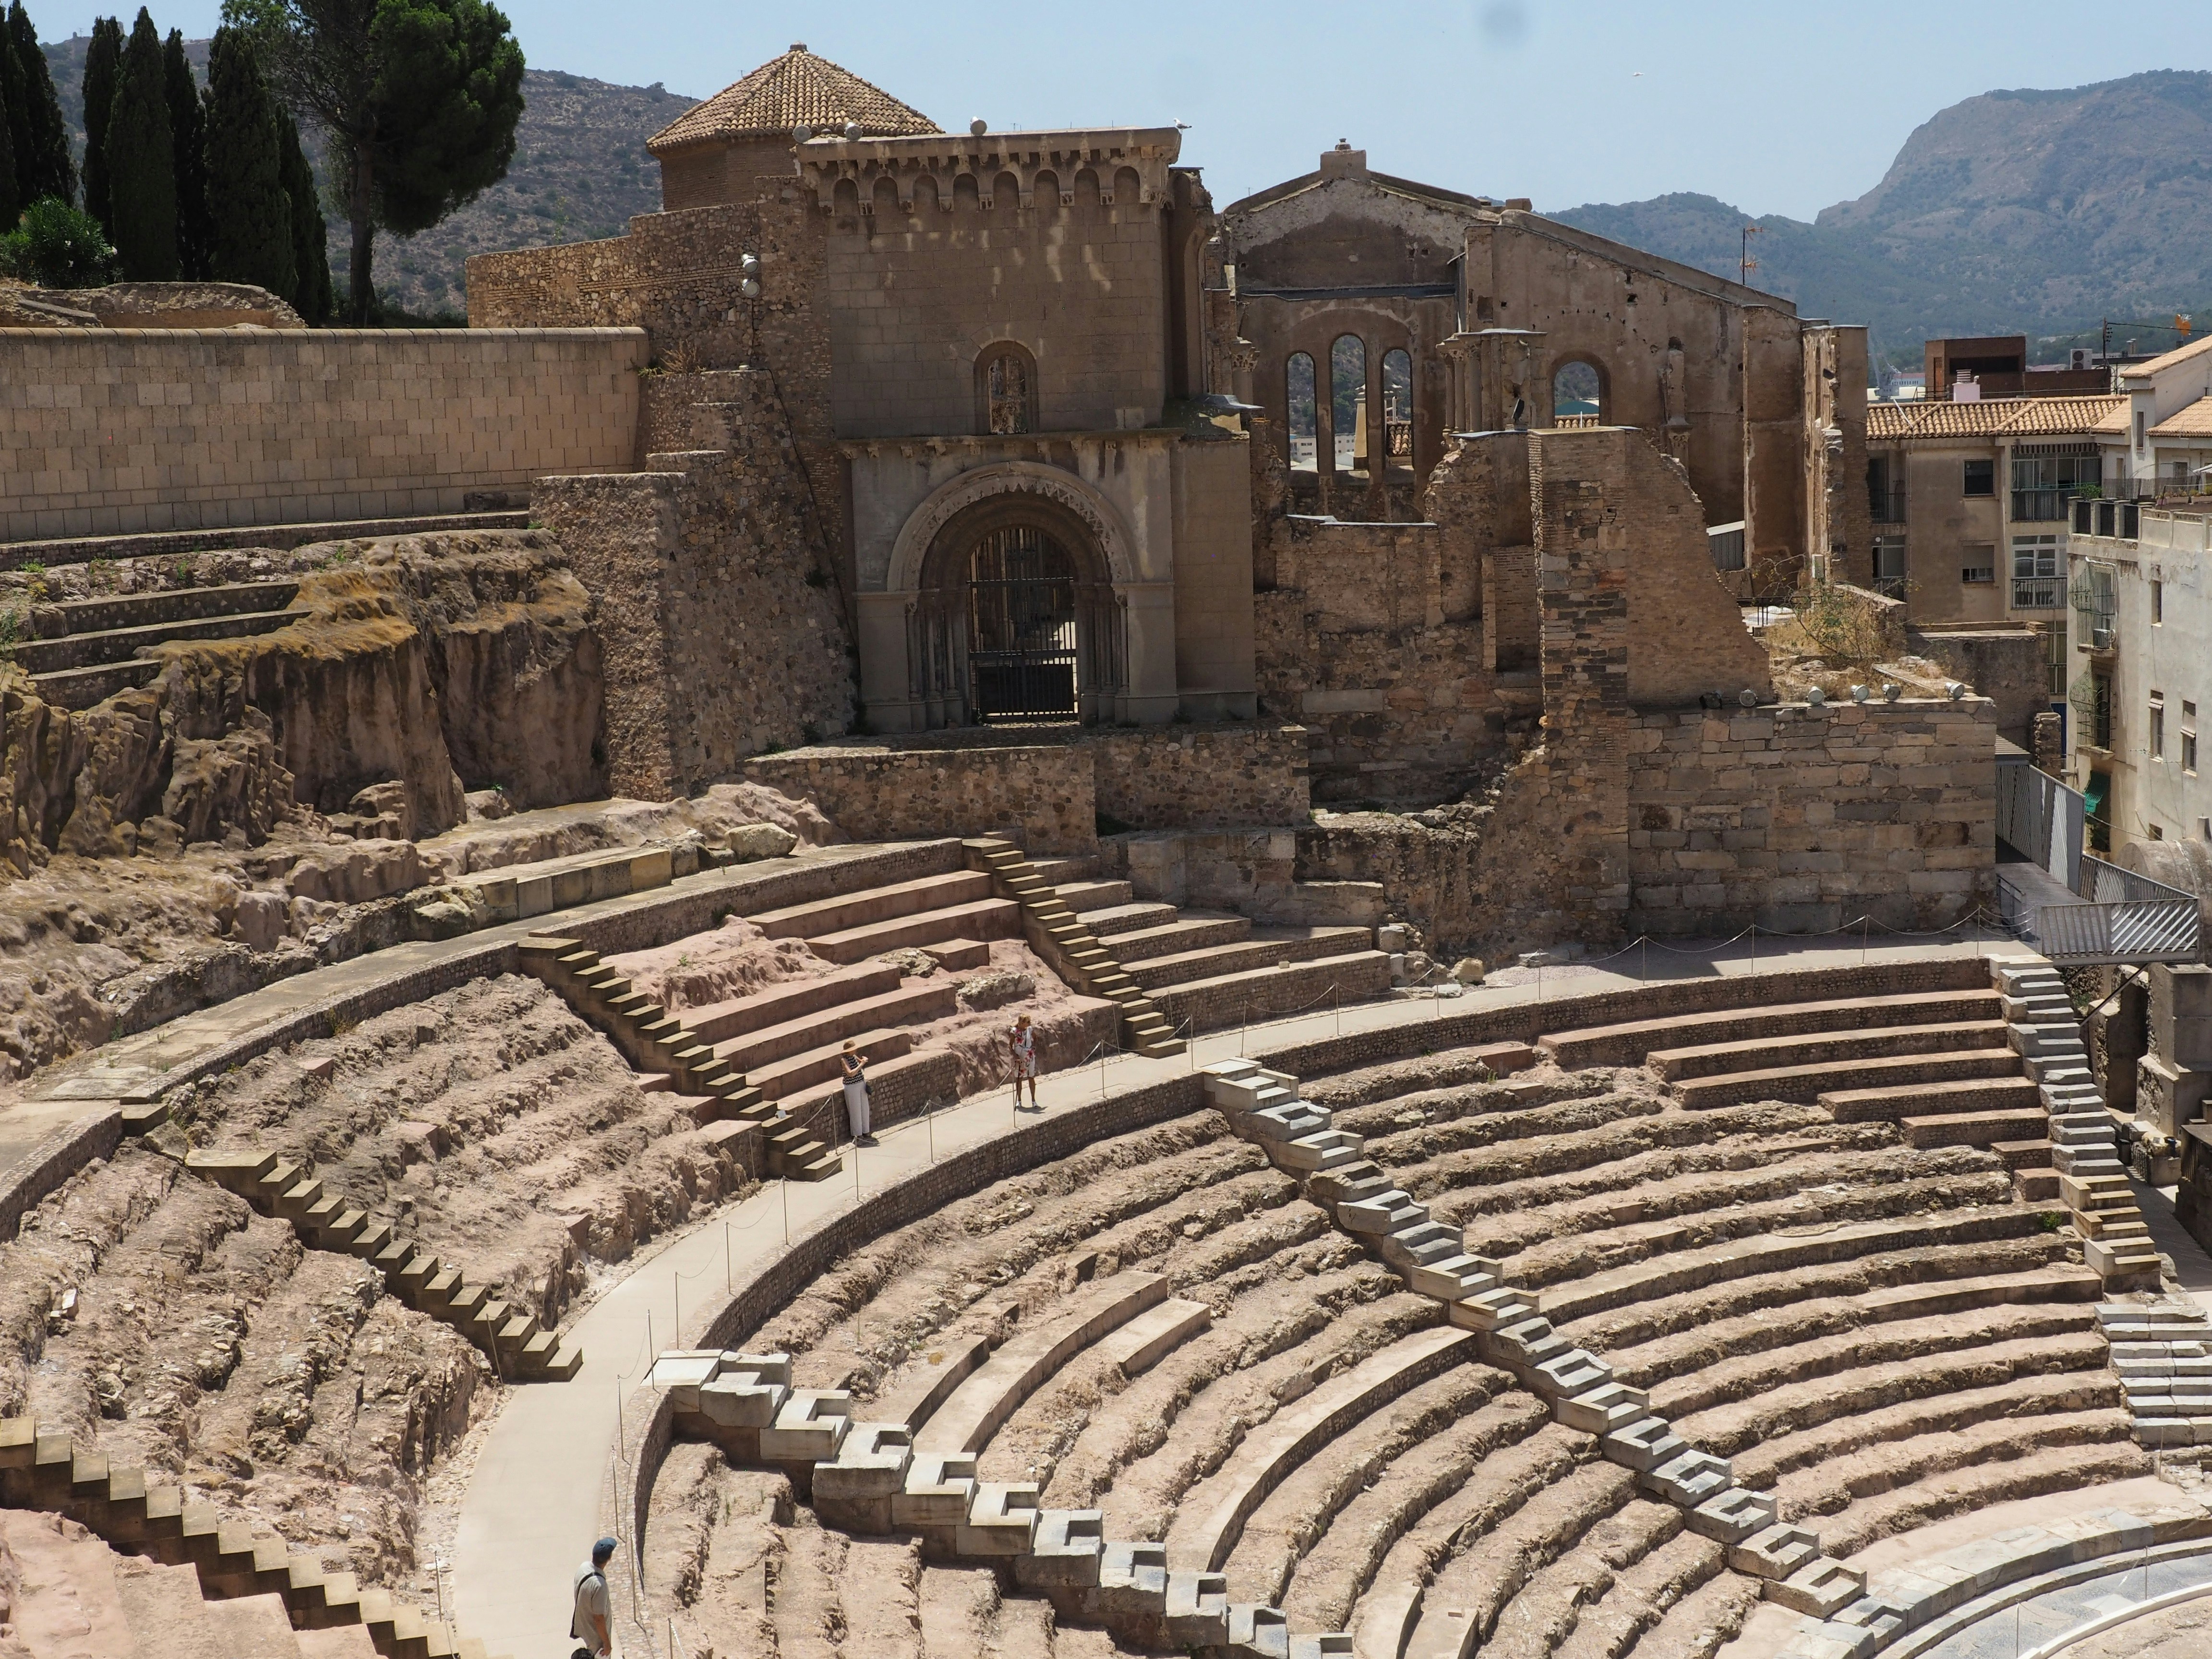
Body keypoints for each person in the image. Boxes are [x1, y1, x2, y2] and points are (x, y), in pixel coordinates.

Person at [571, 1536, 614, 1659]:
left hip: (583, 1625)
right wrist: (607, 1644)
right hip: (596, 1635)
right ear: (609, 1558)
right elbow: (599, 1618)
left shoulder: (584, 1567)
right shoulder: (600, 1586)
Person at [840, 1040, 875, 1145]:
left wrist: (863, 1062)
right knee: (855, 1110)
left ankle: (866, 1131)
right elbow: (851, 1073)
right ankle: (857, 1134)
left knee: (864, 1108)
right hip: (852, 1087)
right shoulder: (844, 1060)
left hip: (861, 1084)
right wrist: (862, 1064)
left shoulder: (854, 1057)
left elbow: (861, 1064)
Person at [1010, 1013, 1040, 1111]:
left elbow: (1036, 1038)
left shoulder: (1030, 1029)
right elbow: (1010, 1046)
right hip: (1019, 1058)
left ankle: (1034, 1101)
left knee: (1031, 1077)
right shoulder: (1014, 1032)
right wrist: (1016, 1057)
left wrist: (1034, 1047)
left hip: (1030, 1057)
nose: (1030, 1023)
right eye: (1028, 1022)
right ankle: (1019, 1101)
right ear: (1022, 1023)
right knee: (1019, 1079)